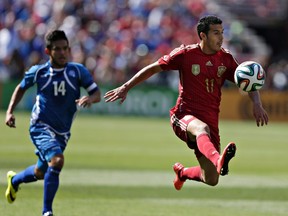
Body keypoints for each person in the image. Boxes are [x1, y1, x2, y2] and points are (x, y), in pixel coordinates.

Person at [104, 15, 269, 190]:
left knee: (212, 178)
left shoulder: (226, 59)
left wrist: (257, 103)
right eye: (215, 33)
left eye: (222, 32)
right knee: (201, 129)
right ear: (203, 36)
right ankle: (217, 159)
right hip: (184, 115)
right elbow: (153, 68)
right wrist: (126, 86)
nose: (221, 37)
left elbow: (247, 80)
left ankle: (182, 173)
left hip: (211, 119)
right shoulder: (185, 54)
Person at [5, 30, 101, 216]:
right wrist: (9, 112)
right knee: (57, 161)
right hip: (40, 126)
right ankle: (47, 212)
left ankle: (15, 180)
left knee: (41, 172)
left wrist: (90, 99)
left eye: (65, 48)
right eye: (57, 49)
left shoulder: (78, 71)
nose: (62, 52)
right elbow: (20, 88)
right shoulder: (39, 71)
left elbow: (96, 93)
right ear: (48, 51)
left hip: (62, 132)